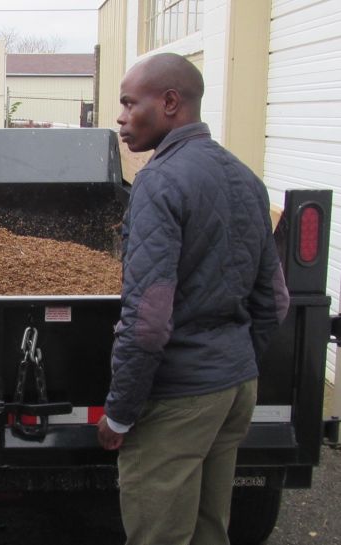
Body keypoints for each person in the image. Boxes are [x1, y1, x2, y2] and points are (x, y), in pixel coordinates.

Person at [97, 53, 290, 545]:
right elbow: (275, 300)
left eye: (127, 102)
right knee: (210, 530)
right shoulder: (246, 178)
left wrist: (119, 412)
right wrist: (233, 361)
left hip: (178, 399)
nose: (119, 116)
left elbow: (148, 320)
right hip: (234, 391)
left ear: (169, 103)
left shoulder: (159, 182)